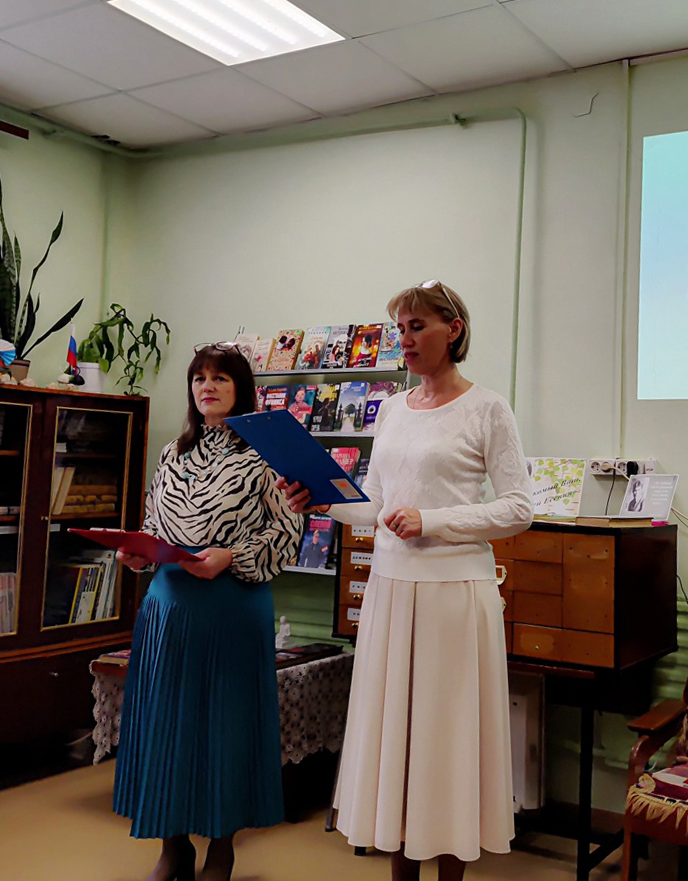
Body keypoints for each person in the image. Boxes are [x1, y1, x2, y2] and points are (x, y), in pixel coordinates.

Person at [280, 280, 532, 881]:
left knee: (445, 740)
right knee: (395, 739)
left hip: (453, 596)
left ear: (454, 330)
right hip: (390, 592)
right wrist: (322, 500)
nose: (406, 339)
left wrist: (434, 521)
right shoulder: (392, 408)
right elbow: (376, 504)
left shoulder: (487, 408)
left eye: (418, 326)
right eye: (400, 329)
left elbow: (519, 508)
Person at [114, 343, 303, 881]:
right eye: (199, 378)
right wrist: (137, 553)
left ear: (241, 389)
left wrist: (232, 556)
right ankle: (173, 847)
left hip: (231, 607)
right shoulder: (173, 453)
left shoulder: (266, 455)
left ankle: (222, 848)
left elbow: (287, 534)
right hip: (168, 608)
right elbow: (154, 525)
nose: (208, 387)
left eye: (220, 378)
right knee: (164, 726)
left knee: (226, 726)